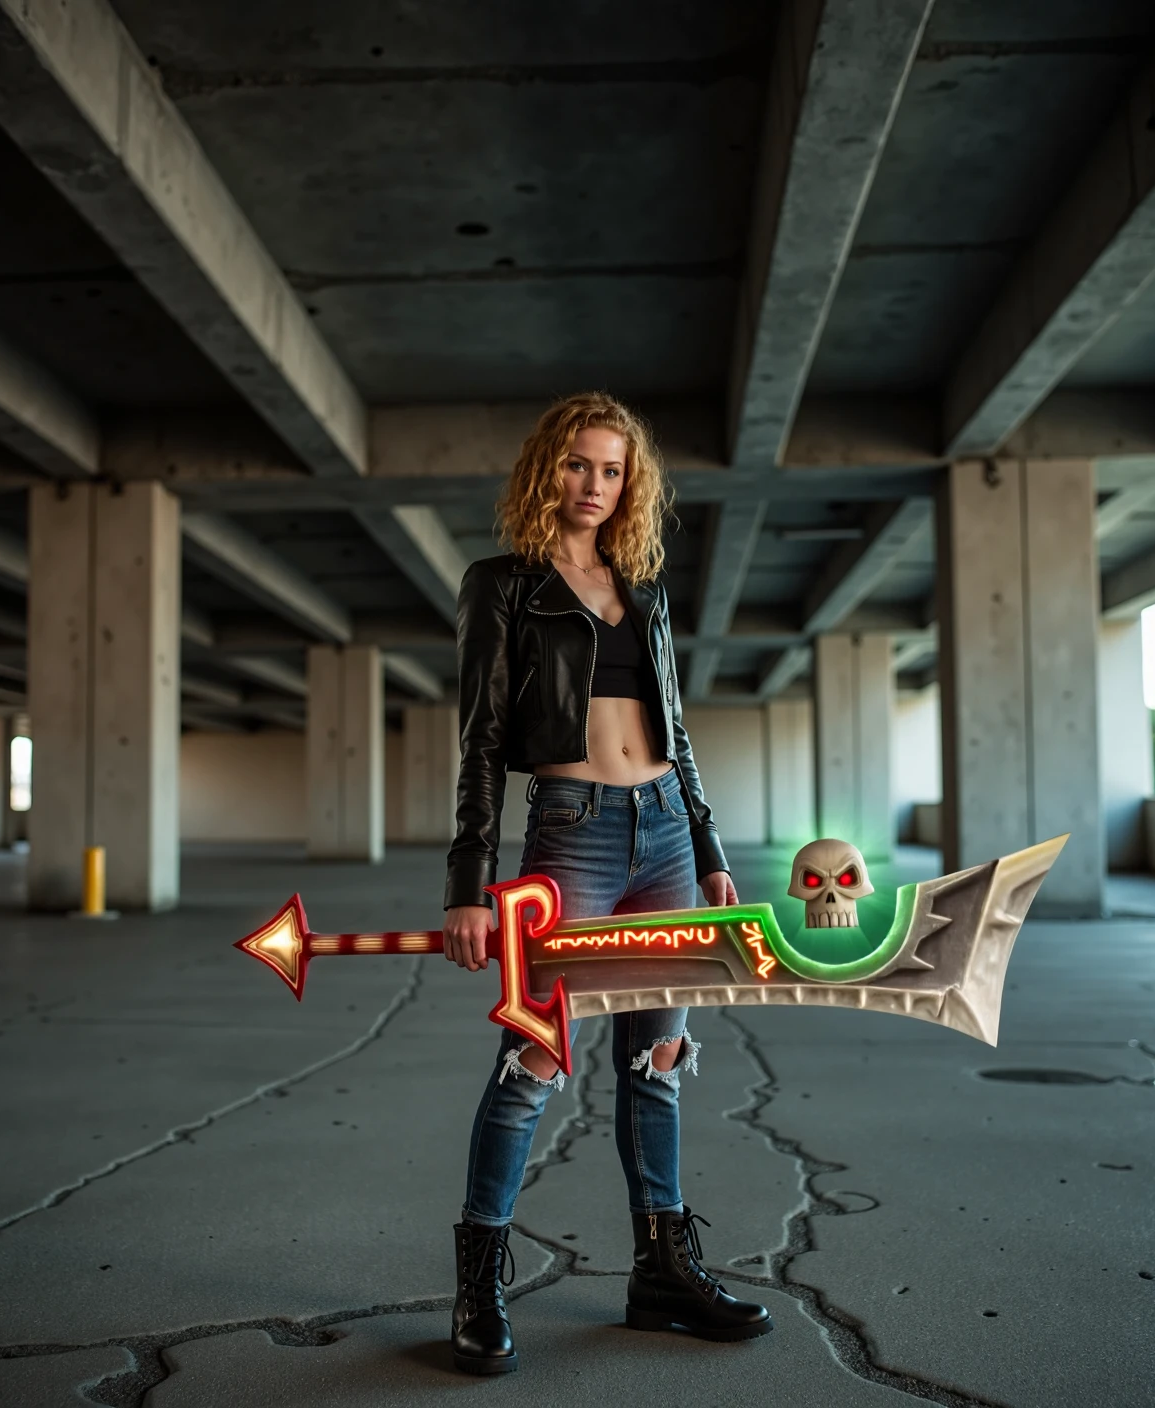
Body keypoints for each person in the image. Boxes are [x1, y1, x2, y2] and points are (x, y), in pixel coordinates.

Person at [442, 392, 774, 1373]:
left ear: (630, 483)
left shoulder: (645, 589)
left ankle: (661, 1268)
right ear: (547, 468)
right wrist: (470, 878)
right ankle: (478, 1281)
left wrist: (709, 845)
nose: (594, 484)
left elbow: (675, 728)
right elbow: (480, 741)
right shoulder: (500, 584)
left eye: (612, 469)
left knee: (658, 1060)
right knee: (534, 1059)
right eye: (578, 464)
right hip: (573, 834)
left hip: (665, 833)